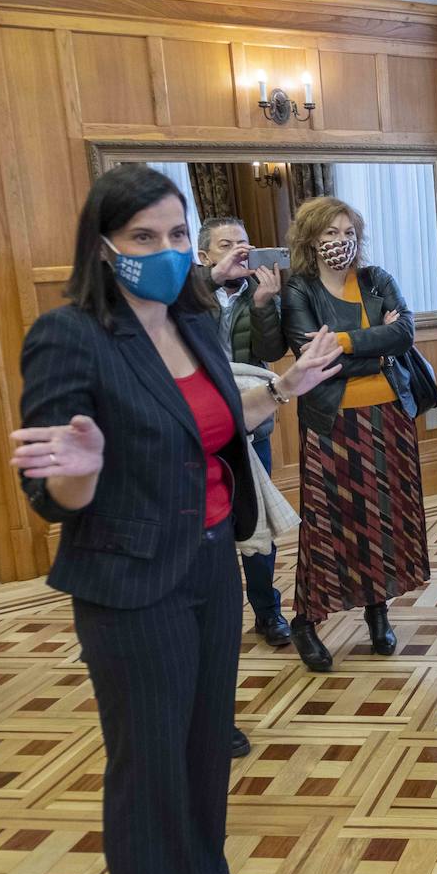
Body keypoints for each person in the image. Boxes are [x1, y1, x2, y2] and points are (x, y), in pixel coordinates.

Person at [12, 163, 342, 874]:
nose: (164, 248)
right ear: (103, 247)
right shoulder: (69, 336)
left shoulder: (193, 320)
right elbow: (51, 494)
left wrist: (285, 389)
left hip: (210, 565)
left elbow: (216, 428)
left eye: (176, 232)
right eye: (143, 235)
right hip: (131, 584)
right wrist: (81, 468)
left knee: (202, 754)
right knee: (150, 769)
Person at [280, 196, 431, 672]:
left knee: (384, 518)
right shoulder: (299, 290)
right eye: (329, 233)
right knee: (329, 522)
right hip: (331, 424)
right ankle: (306, 619)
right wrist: (374, 346)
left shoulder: (376, 278)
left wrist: (342, 342)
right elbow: (312, 356)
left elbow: (405, 334)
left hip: (389, 418)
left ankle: (377, 609)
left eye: (348, 233)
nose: (340, 242)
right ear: (310, 238)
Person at [194, 216, 288, 761]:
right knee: (212, 538)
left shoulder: (256, 292)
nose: (238, 253)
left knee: (258, 526)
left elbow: (270, 354)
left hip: (252, 428)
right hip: (201, 437)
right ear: (204, 256)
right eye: (226, 246)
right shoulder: (190, 296)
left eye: (244, 244)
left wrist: (261, 302)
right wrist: (215, 284)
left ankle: (267, 609)